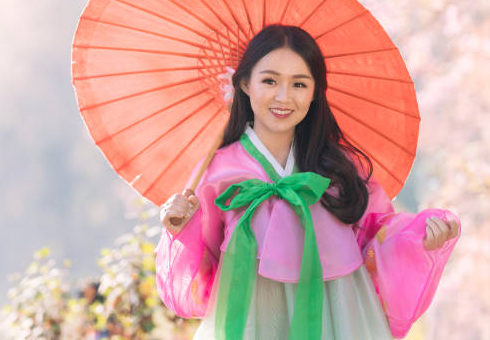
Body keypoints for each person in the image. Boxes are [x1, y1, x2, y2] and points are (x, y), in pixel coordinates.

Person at [154, 24, 460, 340]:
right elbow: (206, 272)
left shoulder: (340, 168)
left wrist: (419, 237)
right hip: (248, 323)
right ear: (244, 83)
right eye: (270, 80)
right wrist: (181, 231)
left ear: (315, 92)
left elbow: (377, 237)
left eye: (299, 84)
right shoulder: (217, 173)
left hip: (339, 319)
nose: (284, 97)